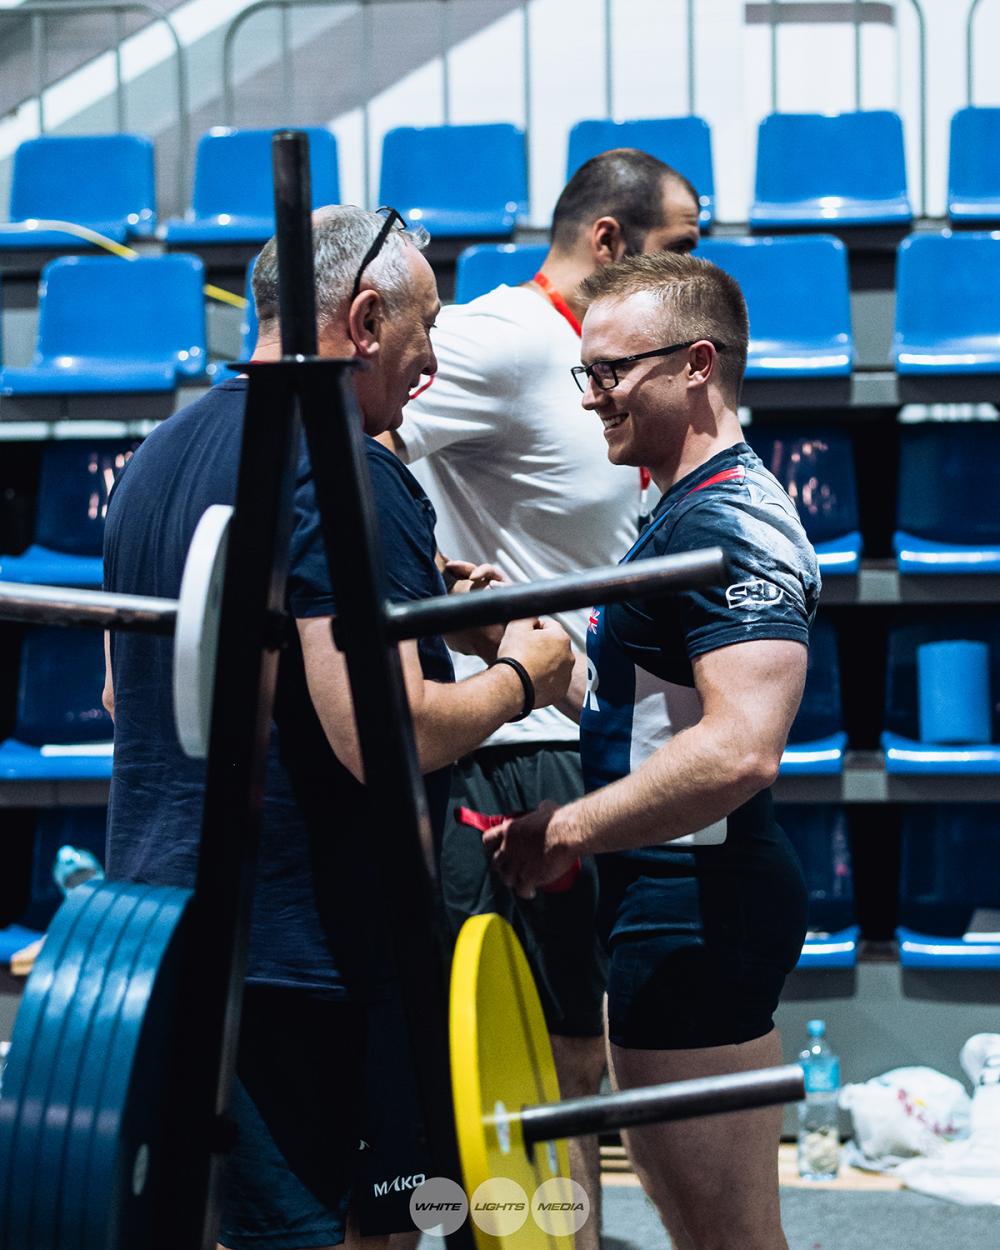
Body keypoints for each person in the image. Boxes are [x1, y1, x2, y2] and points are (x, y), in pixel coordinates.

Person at [101, 205, 573, 1250]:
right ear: (364, 317)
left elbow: (125, 691)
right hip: (306, 946)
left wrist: (412, 590)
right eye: (424, 330)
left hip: (167, 922)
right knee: (358, 1231)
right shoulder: (345, 465)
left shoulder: (157, 457)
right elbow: (381, 727)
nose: (432, 364)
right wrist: (520, 676)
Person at [381, 149, 701, 1241]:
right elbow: (340, 447)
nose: (701, 266)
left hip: (594, 743)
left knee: (574, 1048)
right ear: (608, 244)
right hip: (515, 748)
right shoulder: (504, 338)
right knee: (514, 1052)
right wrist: (424, 586)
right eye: (683, 244)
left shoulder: (600, 362)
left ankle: (557, 1237)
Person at [484, 250, 820, 1250]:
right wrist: (508, 635)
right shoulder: (676, 504)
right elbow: (661, 711)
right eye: (583, 373)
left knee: (725, 1237)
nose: (592, 398)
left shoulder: (730, 520)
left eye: (611, 372)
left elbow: (739, 749)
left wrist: (568, 827)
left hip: (696, 908)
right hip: (669, 901)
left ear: (697, 364)